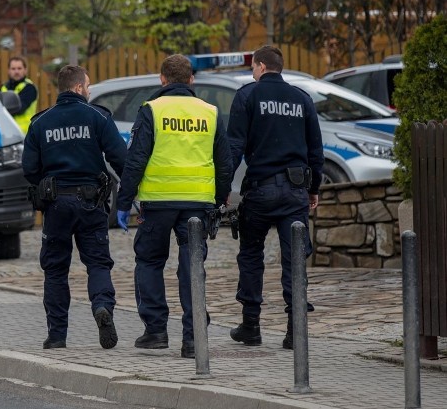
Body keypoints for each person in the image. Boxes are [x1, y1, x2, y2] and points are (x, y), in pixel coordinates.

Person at [115, 54, 233, 358]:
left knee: (150, 261)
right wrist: (219, 200)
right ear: (192, 80)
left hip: (157, 203)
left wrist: (123, 201)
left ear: (162, 79)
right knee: (192, 267)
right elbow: (225, 162)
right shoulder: (210, 112)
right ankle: (193, 340)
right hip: (198, 204)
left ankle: (155, 331)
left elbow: (135, 160)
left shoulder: (151, 110)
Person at [22, 65, 127, 350]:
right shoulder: (98, 117)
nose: (90, 91)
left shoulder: (40, 122)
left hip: (55, 205)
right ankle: (101, 307)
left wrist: (48, 178)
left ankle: (57, 336)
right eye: (89, 86)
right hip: (91, 203)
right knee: (98, 263)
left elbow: (29, 169)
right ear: (79, 88)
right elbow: (120, 159)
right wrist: (129, 194)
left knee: (56, 270)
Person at [226, 45, 324, 350]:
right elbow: (315, 151)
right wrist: (314, 189)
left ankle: (251, 326)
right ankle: (296, 330)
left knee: (251, 256)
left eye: (253, 67)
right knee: (294, 259)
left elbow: (233, 148)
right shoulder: (301, 98)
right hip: (295, 191)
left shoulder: (248, 96)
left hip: (260, 190)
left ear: (260, 66)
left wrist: (220, 191)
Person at [0, 56, 38, 134]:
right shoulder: (3, 87)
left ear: (25, 70)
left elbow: (19, 109)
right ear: (8, 71)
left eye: (19, 68)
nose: (16, 71)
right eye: (13, 69)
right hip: (6, 132)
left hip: (24, 134)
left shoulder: (29, 88)